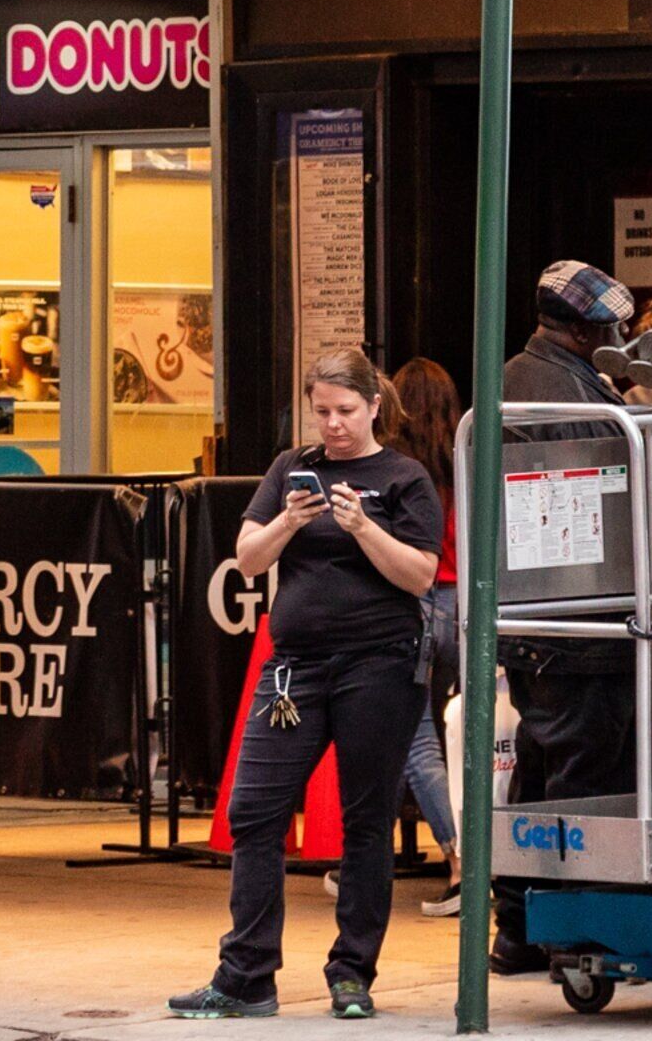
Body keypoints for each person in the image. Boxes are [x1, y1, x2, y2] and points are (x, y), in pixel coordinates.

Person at [172, 350, 443, 1020]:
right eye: (322, 412)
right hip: (296, 664)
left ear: (375, 406)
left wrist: (362, 526)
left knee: (366, 821)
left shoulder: (404, 478)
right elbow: (245, 558)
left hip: (379, 664)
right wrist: (291, 520)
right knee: (254, 811)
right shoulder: (292, 469)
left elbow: (418, 574)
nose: (334, 426)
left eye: (346, 412)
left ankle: (352, 972)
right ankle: (246, 974)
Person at [488, 258, 652, 973]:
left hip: (551, 623)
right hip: (584, 625)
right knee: (586, 776)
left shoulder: (534, 375)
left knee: (543, 764)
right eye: (611, 328)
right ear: (583, 331)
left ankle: (520, 925)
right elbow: (613, 505)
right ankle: (564, 925)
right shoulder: (565, 395)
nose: (620, 336)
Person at [377, 355, 465, 918]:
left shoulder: (395, 472)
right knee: (478, 736)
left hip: (417, 605)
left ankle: (460, 861)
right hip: (468, 605)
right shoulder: (470, 460)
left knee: (416, 738)